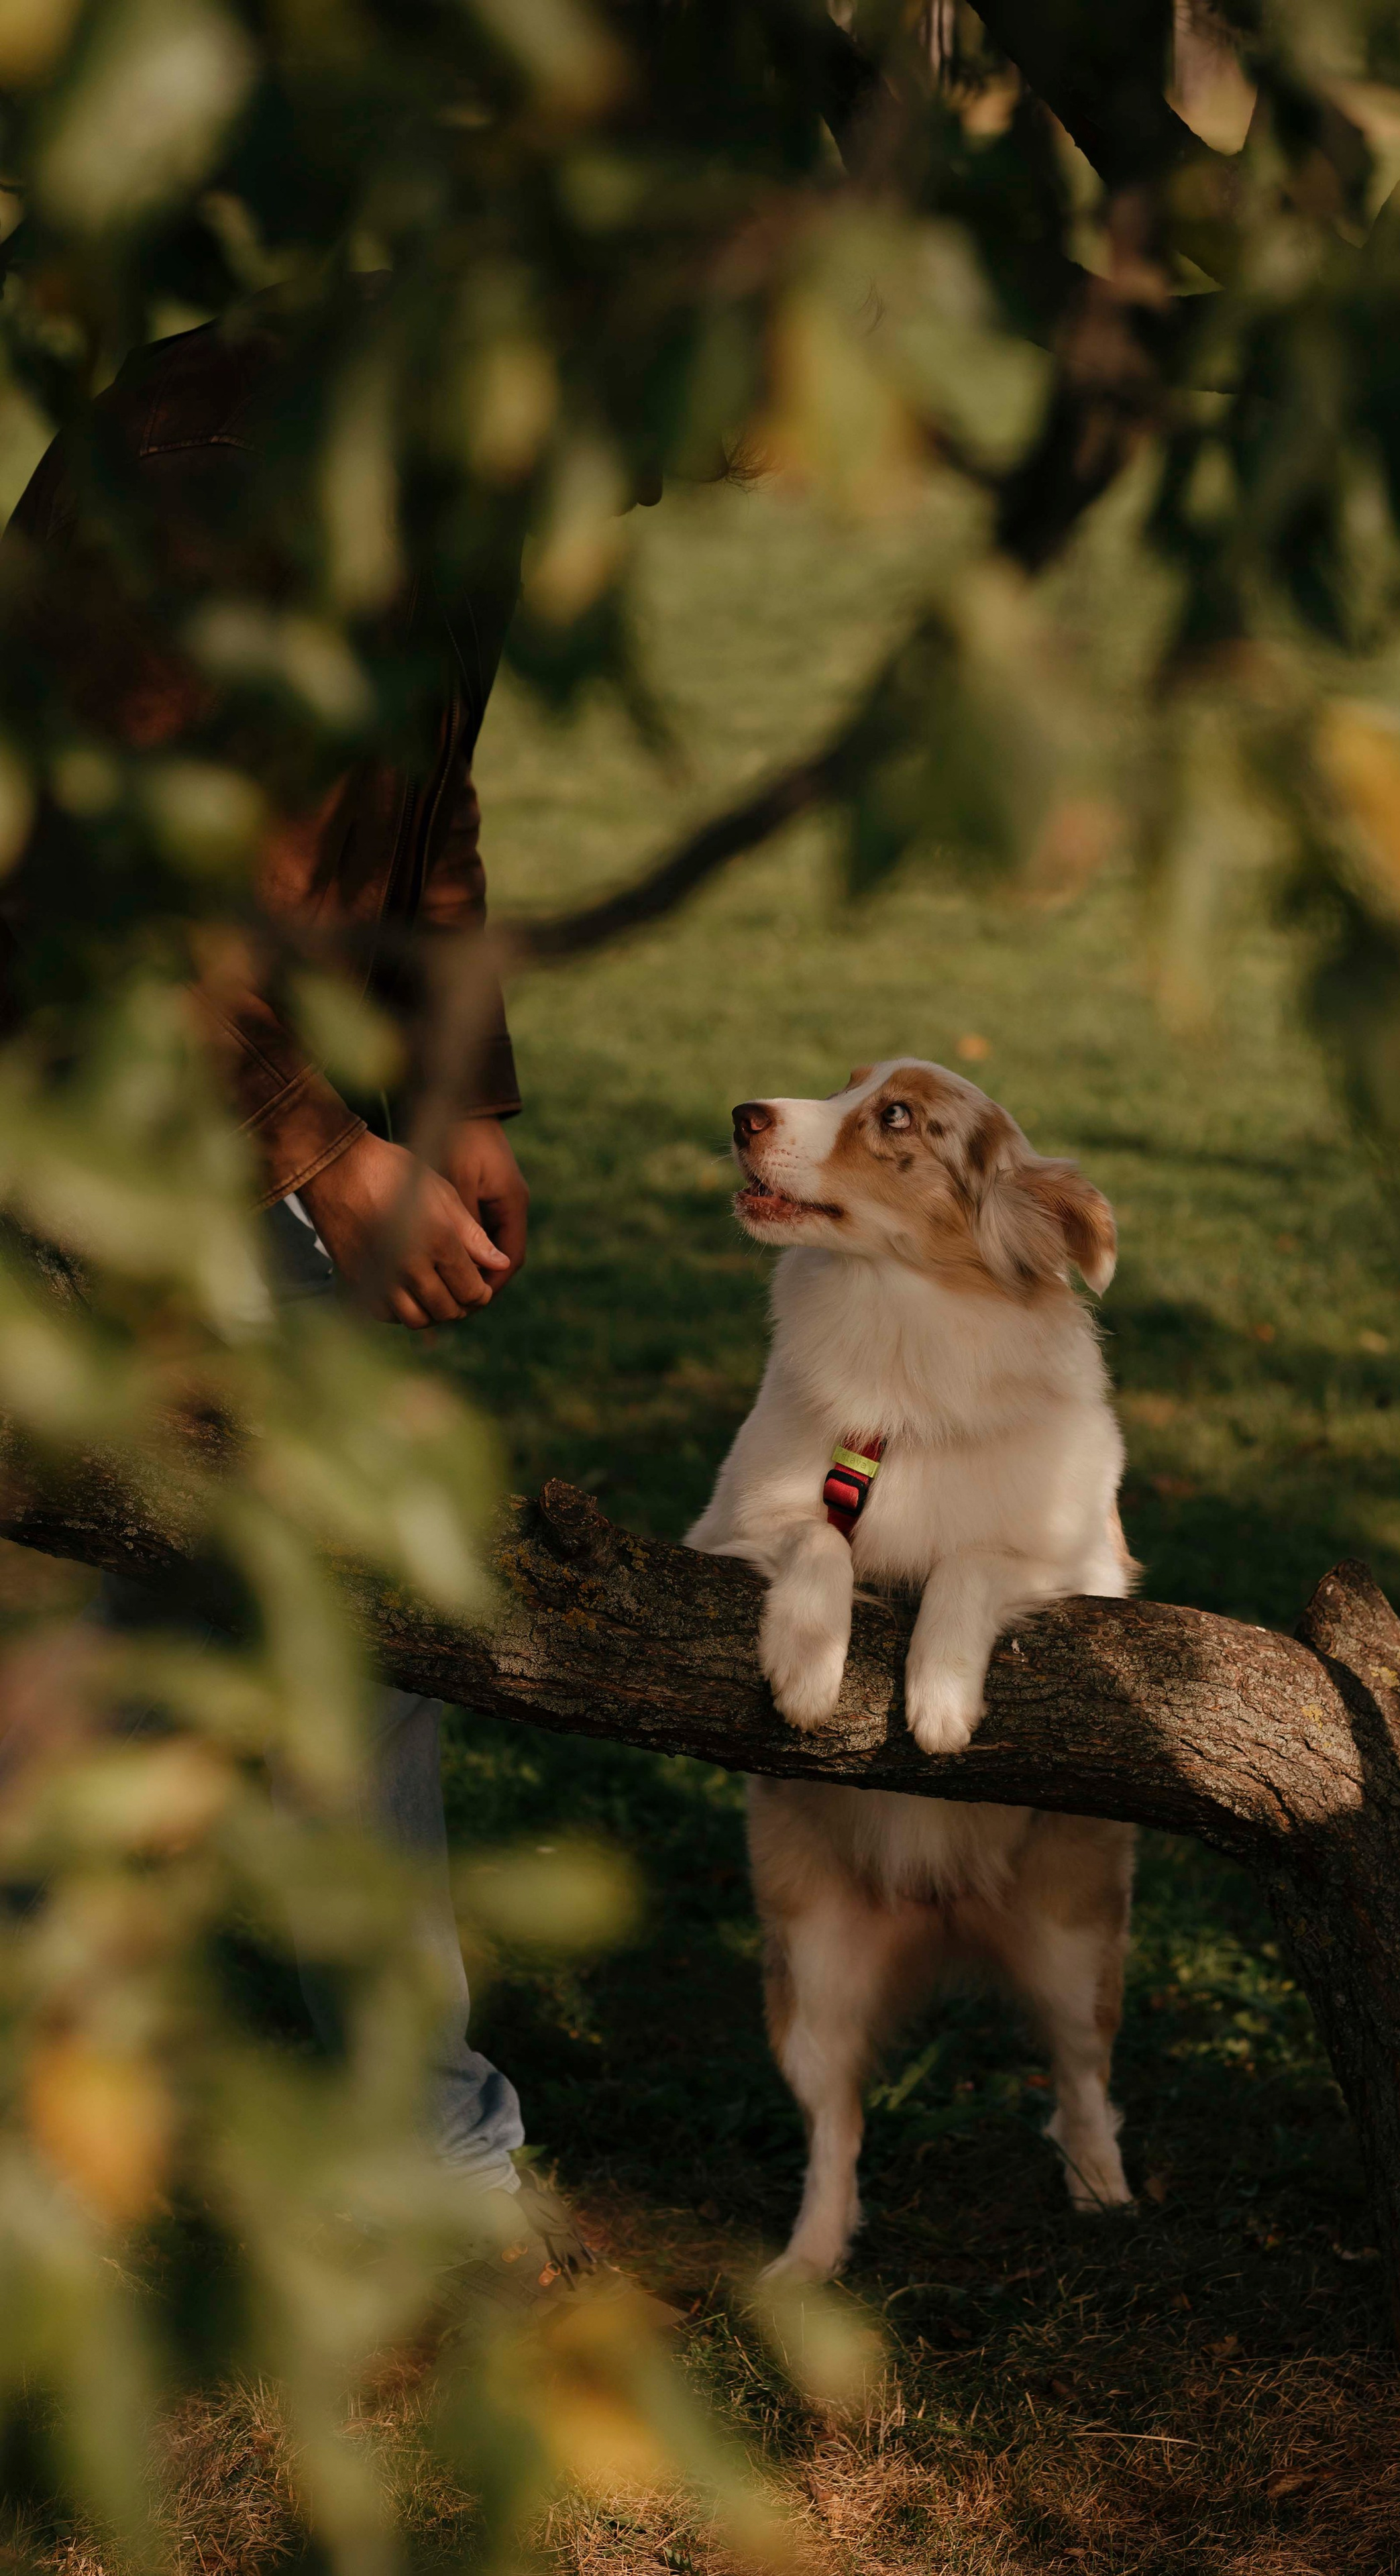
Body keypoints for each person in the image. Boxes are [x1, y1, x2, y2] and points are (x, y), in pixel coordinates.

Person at [1, 305, 590, 2296]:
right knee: (275, 1609)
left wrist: (456, 1092)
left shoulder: (480, 462)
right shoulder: (208, 456)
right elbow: (114, 874)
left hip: (251, 1107)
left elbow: (427, 816)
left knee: (292, 1620)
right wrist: (334, 1157)